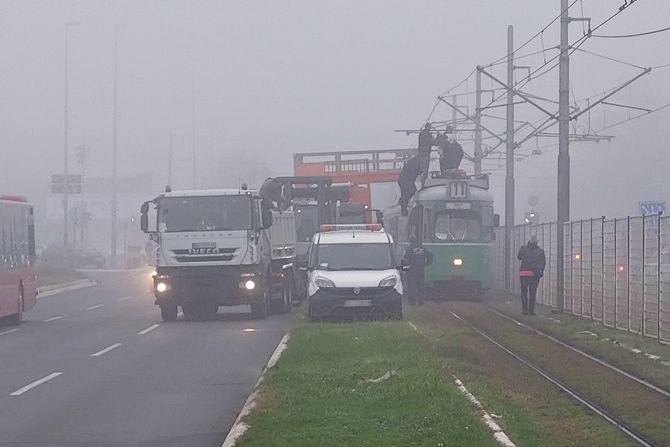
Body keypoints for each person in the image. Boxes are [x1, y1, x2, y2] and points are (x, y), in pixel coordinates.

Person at [517, 235, 546, 315]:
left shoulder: (523, 249)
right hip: (534, 274)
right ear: (537, 242)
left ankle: (524, 309)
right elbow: (543, 263)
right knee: (532, 293)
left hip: (524, 273)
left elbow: (519, 257)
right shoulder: (540, 251)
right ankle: (531, 310)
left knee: (524, 292)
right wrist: (540, 272)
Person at [403, 236, 433, 305]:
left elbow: (405, 258)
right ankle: (421, 301)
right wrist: (426, 264)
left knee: (411, 287)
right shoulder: (423, 248)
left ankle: (412, 302)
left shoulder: (409, 249)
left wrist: (406, 267)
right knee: (420, 286)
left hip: (412, 270)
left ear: (410, 242)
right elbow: (431, 256)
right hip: (420, 270)